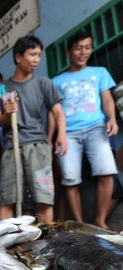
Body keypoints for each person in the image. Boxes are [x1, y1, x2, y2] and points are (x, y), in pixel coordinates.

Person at [0, 35, 67, 223]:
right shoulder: (2, 88)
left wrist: (61, 135)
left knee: (44, 199)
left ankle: (47, 246)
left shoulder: (43, 83)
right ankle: (1, 249)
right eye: (32, 54)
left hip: (37, 147)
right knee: (7, 200)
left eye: (39, 55)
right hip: (11, 147)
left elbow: (58, 112)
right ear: (18, 57)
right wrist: (6, 115)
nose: (36, 60)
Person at [51, 31, 118, 229]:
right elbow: (55, 113)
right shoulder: (57, 81)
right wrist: (55, 137)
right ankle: (80, 225)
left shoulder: (100, 73)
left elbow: (106, 98)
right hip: (68, 133)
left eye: (87, 48)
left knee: (107, 172)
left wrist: (112, 118)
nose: (83, 52)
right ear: (68, 52)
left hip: (96, 128)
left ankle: (100, 220)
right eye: (78, 48)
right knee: (70, 179)